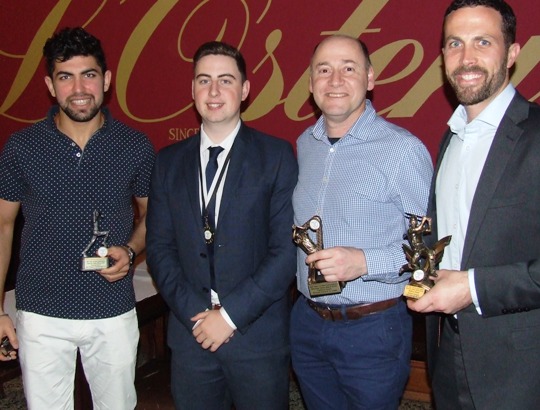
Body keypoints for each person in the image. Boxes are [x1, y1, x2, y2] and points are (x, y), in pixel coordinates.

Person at [0, 27, 155, 409]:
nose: (79, 88)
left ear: (106, 80)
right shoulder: (21, 148)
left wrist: (132, 251)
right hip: (40, 314)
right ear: (50, 86)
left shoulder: (135, 146)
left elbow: (153, 217)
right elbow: (2, 226)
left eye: (88, 74)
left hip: (112, 311)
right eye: (65, 77)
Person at [146, 41, 298, 409]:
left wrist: (229, 317)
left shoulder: (276, 156)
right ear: (192, 89)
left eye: (225, 80)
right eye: (204, 80)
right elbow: (159, 250)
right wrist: (198, 318)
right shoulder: (168, 162)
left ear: (244, 90)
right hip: (191, 337)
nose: (214, 92)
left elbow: (285, 252)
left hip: (256, 337)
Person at [407, 1, 540, 409]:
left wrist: (472, 286)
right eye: (454, 43)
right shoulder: (450, 139)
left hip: (521, 371)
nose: (467, 58)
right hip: (446, 352)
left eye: (483, 42)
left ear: (512, 54)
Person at [291, 34, 433, 409]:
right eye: (324, 69)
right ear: (310, 82)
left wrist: (364, 261)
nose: (335, 80)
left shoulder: (403, 151)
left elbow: (430, 247)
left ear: (370, 79)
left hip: (374, 330)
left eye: (348, 68)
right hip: (308, 322)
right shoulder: (305, 144)